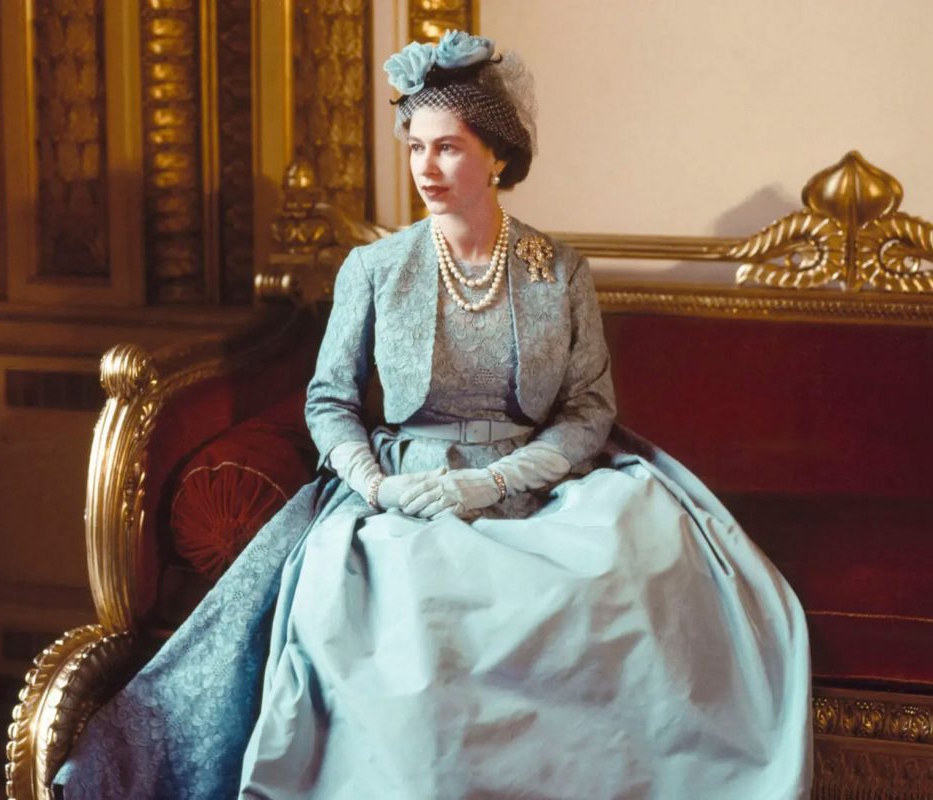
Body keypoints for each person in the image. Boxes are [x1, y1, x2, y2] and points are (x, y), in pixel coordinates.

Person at [55, 31, 812, 800]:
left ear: (496, 157)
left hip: (540, 484)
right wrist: (375, 487)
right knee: (409, 602)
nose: (425, 167)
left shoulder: (557, 270)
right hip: (405, 490)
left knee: (625, 561)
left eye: (447, 148)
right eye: (415, 147)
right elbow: (329, 400)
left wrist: (497, 481)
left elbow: (588, 409)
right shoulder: (375, 268)